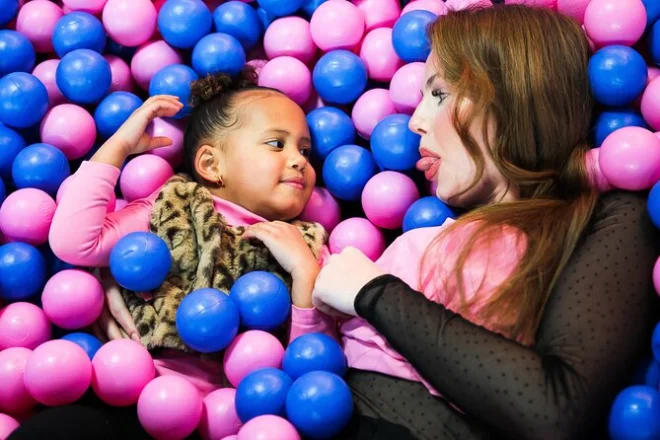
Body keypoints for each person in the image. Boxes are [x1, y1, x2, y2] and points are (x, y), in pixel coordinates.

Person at [309, 5, 658, 440]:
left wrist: (373, 293)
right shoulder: (442, 235)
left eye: (439, 94)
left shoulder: (612, 215)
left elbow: (554, 408)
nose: (414, 121)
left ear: (512, 96)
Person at [9, 67, 335, 439]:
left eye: (305, 150)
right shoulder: (172, 205)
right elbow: (75, 243)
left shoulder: (307, 245)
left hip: (230, 418)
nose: (299, 160)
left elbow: (315, 363)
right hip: (125, 390)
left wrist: (304, 273)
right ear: (211, 165)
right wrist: (119, 146)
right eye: (277, 144)